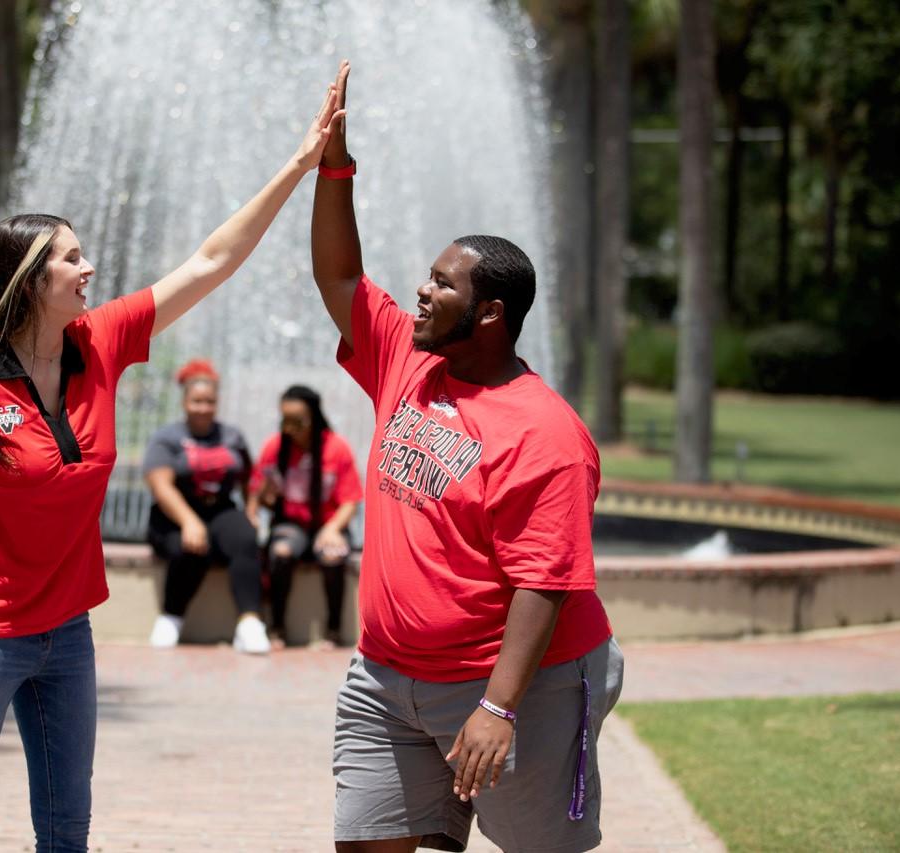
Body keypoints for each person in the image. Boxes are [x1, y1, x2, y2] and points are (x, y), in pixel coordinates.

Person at [0, 77, 345, 851]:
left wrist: (298, 164)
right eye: (71, 260)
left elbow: (212, 259)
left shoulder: (103, 340)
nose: (89, 271)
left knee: (67, 830)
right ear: (29, 281)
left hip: (67, 629)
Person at [312, 62, 624, 852]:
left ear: (488, 313)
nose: (420, 292)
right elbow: (339, 273)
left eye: (441, 285)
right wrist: (333, 165)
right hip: (385, 677)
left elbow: (544, 581)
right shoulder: (406, 359)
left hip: (520, 686)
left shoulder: (544, 434)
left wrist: (499, 707)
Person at [142, 359, 269, 654]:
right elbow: (161, 485)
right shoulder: (167, 437)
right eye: (197, 401)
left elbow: (250, 479)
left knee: (245, 538)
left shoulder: (231, 436)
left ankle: (250, 622)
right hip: (173, 514)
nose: (203, 407)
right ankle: (171, 616)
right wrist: (189, 521)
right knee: (191, 546)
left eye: (209, 401)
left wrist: (251, 511)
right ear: (185, 401)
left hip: (220, 509)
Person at [245, 384, 361, 647]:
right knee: (281, 552)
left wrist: (332, 529)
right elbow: (255, 497)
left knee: (333, 556)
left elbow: (351, 501)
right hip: (291, 524)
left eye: (298, 420)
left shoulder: (336, 447)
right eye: (285, 420)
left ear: (314, 416)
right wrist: (260, 502)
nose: (290, 427)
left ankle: (332, 629)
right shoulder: (275, 447)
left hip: (329, 522)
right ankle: (276, 627)